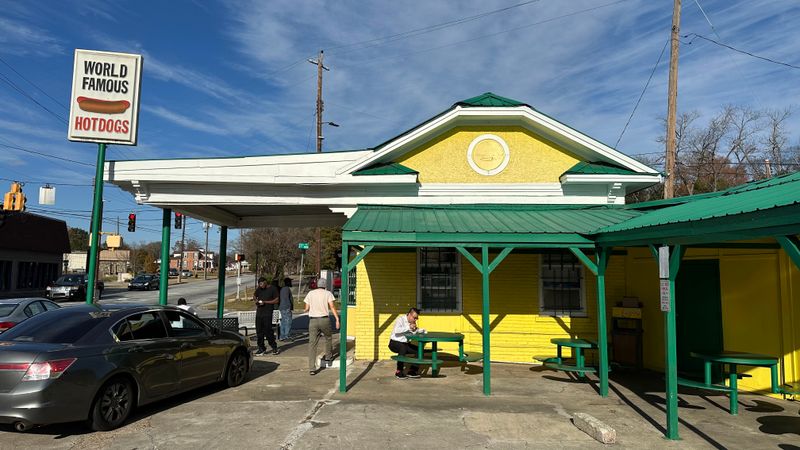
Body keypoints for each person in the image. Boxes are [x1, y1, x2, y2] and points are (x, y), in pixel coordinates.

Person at [304, 277, 340, 375]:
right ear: (325, 285)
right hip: (324, 319)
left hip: (313, 320)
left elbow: (306, 308)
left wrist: (307, 309)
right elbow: (332, 306)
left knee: (312, 344)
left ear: (317, 285)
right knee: (328, 338)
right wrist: (337, 319)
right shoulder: (328, 293)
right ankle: (328, 357)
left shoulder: (310, 293)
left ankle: (312, 368)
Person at [389, 308, 423, 379]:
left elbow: (412, 333)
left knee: (419, 350)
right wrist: (409, 327)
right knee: (403, 347)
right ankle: (399, 371)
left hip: (405, 343)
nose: (415, 320)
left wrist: (416, 330)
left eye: (416, 318)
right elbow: (396, 330)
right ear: (409, 315)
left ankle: (412, 371)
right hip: (394, 343)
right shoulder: (400, 319)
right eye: (414, 318)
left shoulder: (412, 322)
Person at [253, 277, 279, 355]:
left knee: (268, 331)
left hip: (267, 313)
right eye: (259, 284)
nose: (260, 286)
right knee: (259, 332)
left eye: (261, 284)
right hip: (259, 313)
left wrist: (265, 302)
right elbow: (254, 295)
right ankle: (261, 348)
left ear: (265, 282)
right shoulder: (259, 289)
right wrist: (256, 300)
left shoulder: (273, 289)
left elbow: (277, 300)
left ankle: (274, 347)